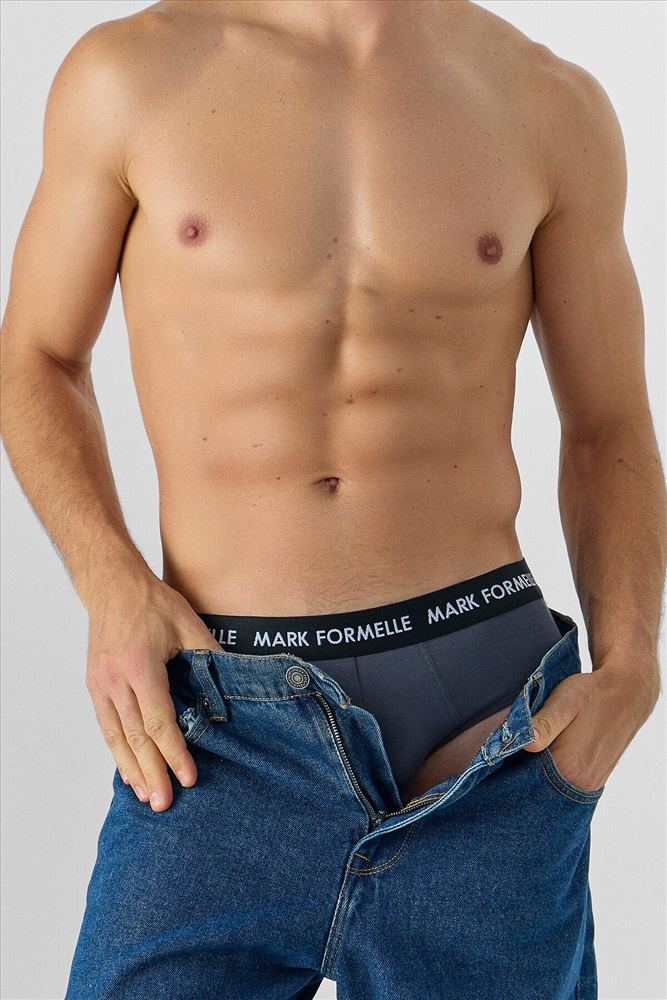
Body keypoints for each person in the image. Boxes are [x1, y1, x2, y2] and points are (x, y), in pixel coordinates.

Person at [1, 1, 665, 997]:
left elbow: (608, 423)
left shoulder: (546, 101)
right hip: (216, 724)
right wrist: (110, 581)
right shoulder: (130, 74)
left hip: (492, 728)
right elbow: (38, 357)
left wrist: (631, 663)